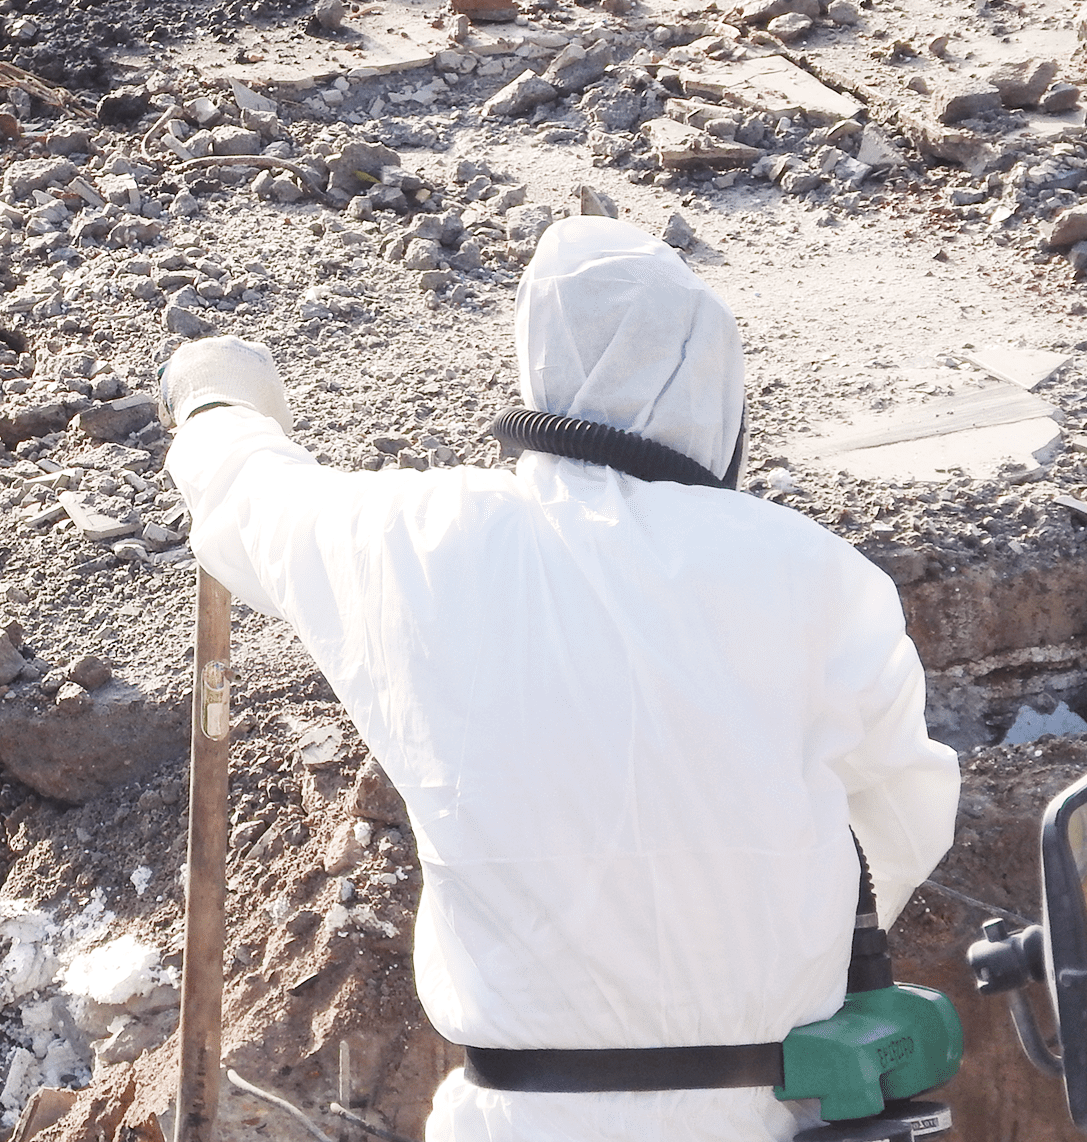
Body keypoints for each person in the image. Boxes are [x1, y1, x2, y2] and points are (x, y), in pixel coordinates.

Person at [157, 215, 960, 1142]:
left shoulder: (421, 537)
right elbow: (901, 820)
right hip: (773, 1110)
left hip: (520, 1118)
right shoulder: (816, 573)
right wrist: (777, 943)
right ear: (716, 384)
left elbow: (250, 500)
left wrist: (218, 403)